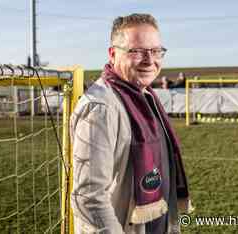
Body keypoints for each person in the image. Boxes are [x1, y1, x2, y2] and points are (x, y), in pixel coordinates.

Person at [70, 13, 193, 234]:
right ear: (113, 53)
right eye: (137, 51)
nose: (149, 60)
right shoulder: (101, 107)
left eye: (155, 51)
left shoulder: (145, 97)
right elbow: (88, 198)